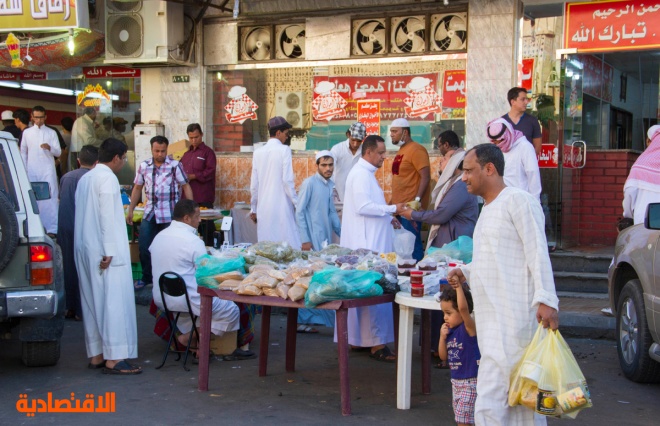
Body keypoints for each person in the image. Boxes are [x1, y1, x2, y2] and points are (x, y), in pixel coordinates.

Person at [448, 143, 559, 425]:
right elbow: (492, 259)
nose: (463, 178)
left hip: (518, 320)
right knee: (493, 399)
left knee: (522, 399)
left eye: (469, 171)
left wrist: (546, 300)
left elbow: (537, 251)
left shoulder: (518, 201)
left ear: (490, 169)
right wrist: (465, 272)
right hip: (491, 323)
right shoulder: (487, 209)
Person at [398, 149, 478, 363]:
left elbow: (442, 214)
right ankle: (436, 346)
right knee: (441, 297)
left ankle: (447, 348)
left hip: (456, 249)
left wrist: (413, 214)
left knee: (450, 298)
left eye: (445, 157)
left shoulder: (460, 185)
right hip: (448, 248)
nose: (441, 161)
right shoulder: (453, 183)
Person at [150, 199, 255, 361]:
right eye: (197, 216)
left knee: (195, 314)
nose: (200, 220)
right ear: (186, 218)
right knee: (232, 310)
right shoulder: (193, 241)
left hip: (162, 298)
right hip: (189, 299)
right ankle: (187, 338)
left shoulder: (159, 237)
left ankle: (200, 347)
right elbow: (206, 273)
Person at [74, 138, 141, 375]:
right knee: (113, 304)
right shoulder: (107, 178)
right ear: (117, 158)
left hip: (85, 248)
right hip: (105, 252)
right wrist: (109, 250)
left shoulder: (86, 178)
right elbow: (107, 217)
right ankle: (115, 357)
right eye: (124, 158)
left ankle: (97, 354)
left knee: (93, 302)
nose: (123, 163)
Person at [340, 135, 405, 362]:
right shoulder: (360, 175)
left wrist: (389, 217)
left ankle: (360, 340)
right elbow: (363, 206)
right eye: (381, 152)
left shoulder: (365, 174)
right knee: (375, 289)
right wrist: (392, 209)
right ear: (368, 153)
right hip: (368, 244)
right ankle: (377, 344)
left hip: (369, 241)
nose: (384, 157)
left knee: (365, 292)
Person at [127, 135, 193, 289]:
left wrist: (192, 210)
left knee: (169, 250)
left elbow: (186, 186)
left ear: (166, 150)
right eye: (157, 151)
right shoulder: (144, 166)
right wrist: (131, 209)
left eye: (163, 151)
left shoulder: (175, 166)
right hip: (150, 213)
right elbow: (137, 188)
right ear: (151, 149)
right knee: (144, 247)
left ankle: (168, 280)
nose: (160, 154)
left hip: (170, 215)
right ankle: (146, 278)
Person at [295, 150, 341, 332]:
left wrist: (343, 231)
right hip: (312, 238)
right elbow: (299, 212)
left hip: (324, 238)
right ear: (317, 166)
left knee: (320, 277)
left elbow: (331, 211)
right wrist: (305, 239)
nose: (328, 168)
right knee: (309, 278)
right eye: (324, 165)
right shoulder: (310, 183)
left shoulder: (330, 185)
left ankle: (313, 321)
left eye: (330, 165)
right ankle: (302, 321)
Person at [57, 145, 99, 321]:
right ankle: (83, 311)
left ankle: (69, 307)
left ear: (78, 161)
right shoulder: (94, 179)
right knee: (86, 270)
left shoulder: (66, 177)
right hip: (85, 230)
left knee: (68, 267)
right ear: (97, 162)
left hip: (65, 228)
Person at [249, 116, 301, 249]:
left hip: (264, 208)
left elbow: (254, 185)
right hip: (281, 206)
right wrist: (297, 203)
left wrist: (253, 208)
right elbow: (287, 181)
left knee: (267, 250)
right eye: (286, 133)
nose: (287, 137)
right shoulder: (284, 150)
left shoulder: (258, 153)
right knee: (287, 248)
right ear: (278, 133)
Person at [439, 283, 480, 426]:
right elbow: (443, 357)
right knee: (462, 420)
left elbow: (463, 308)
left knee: (463, 422)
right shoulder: (449, 331)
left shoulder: (468, 328)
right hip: (456, 382)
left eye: (449, 313)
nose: (445, 317)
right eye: (443, 313)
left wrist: (458, 287)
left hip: (470, 382)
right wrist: (442, 337)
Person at [389, 117, 430, 261]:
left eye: (395, 131)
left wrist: (417, 200)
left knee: (412, 246)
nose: (391, 134)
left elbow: (425, 176)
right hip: (398, 208)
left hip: (410, 209)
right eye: (391, 131)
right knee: (401, 248)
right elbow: (399, 179)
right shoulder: (402, 150)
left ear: (405, 132)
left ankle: (417, 278)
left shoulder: (417, 149)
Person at [20, 106, 61, 235]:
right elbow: (23, 152)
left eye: (41, 117)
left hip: (47, 170)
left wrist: (50, 148)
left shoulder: (51, 132)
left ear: (45, 117)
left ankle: (52, 229)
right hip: (31, 170)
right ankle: (35, 228)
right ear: (32, 117)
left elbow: (59, 152)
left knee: (50, 198)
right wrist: (24, 170)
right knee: (33, 198)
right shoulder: (27, 133)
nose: (39, 120)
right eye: (36, 117)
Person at [487, 117, 541, 202]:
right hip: (501, 202)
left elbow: (533, 177)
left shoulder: (525, 147)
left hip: (521, 203)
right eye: (494, 141)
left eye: (500, 140)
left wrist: (535, 204)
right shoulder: (496, 149)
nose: (498, 144)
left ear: (508, 134)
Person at [623, 124, 660, 225]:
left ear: (649, 141)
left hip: (643, 225)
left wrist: (628, 216)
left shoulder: (640, 165)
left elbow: (629, 194)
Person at [180, 123, 216, 208]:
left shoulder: (208, 152)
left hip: (202, 198)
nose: (193, 141)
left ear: (202, 135)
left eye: (196, 137)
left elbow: (210, 172)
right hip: (187, 199)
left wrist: (193, 176)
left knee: (204, 221)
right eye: (191, 138)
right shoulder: (186, 154)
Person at [330, 122, 366, 203]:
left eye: (359, 141)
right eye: (353, 140)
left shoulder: (365, 151)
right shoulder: (337, 149)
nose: (355, 144)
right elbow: (329, 167)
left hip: (358, 193)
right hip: (339, 193)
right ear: (348, 135)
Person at [502, 87, 542, 155]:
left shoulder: (532, 121)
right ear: (513, 102)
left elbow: (537, 146)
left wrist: (529, 160)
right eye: (523, 99)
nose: (526, 102)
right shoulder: (502, 122)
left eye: (527, 99)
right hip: (507, 163)